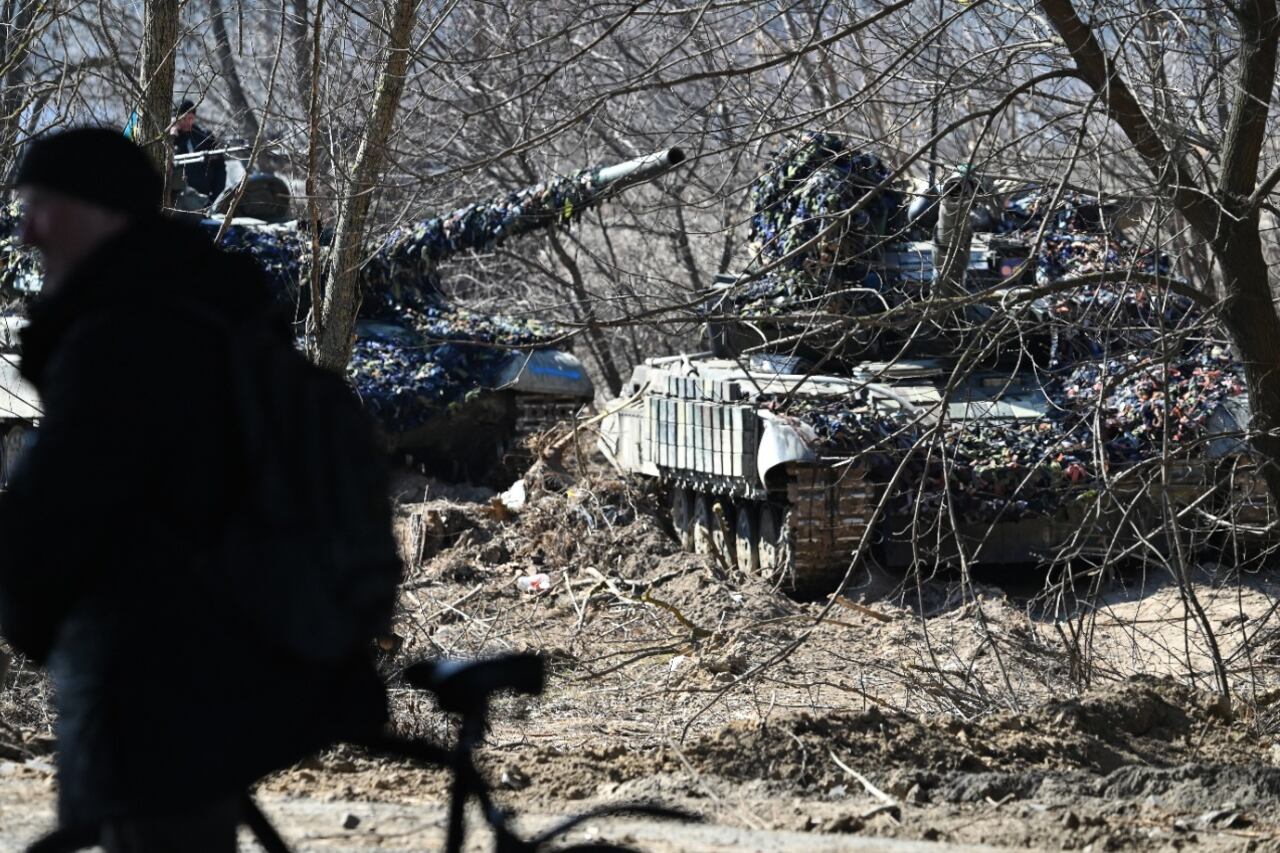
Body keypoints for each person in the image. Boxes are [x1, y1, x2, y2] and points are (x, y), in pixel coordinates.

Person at [0, 128, 389, 852]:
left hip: (153, 695)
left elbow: (43, 532)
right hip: (225, 677)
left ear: (99, 209)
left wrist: (31, 612)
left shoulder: (123, 339)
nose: (26, 230)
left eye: (42, 205)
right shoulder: (210, 312)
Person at [171, 99, 227, 202]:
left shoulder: (204, 136)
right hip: (180, 199)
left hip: (206, 197)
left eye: (190, 118)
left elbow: (220, 168)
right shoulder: (172, 139)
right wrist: (173, 137)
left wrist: (216, 196)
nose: (187, 122)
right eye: (183, 119)